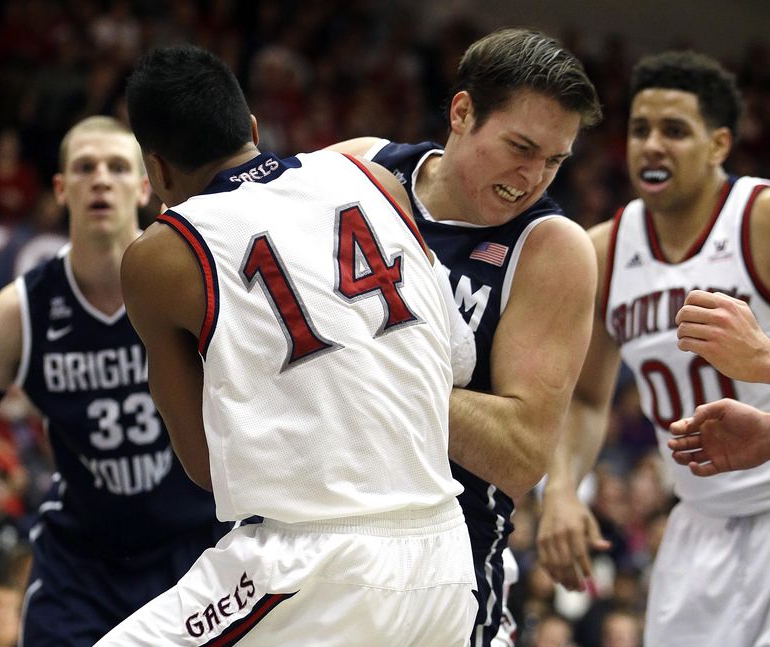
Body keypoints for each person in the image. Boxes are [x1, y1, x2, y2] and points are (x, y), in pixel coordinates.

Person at [98, 44, 478, 645]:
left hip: (316, 565)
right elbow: (458, 359)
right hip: (449, 564)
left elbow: (204, 465)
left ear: (157, 172)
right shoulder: (371, 177)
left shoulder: (159, 254)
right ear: (252, 128)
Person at [328, 27, 601, 646]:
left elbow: (521, 453)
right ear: (461, 112)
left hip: (439, 559)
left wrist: (366, 368)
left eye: (554, 160)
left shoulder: (551, 248)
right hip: (307, 524)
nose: (532, 176)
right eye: (520, 147)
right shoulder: (359, 170)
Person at [0, 115, 227, 646]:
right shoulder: (22, 309)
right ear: (61, 190)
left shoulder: (193, 278)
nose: (101, 179)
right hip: (83, 564)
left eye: (116, 167)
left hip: (196, 546)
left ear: (143, 186)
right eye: (85, 168)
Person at [535, 50, 770, 647]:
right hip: (694, 517)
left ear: (719, 145)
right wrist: (562, 490)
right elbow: (586, 400)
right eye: (640, 130)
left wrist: (763, 361)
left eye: (675, 130)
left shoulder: (760, 219)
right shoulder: (604, 251)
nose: (652, 146)